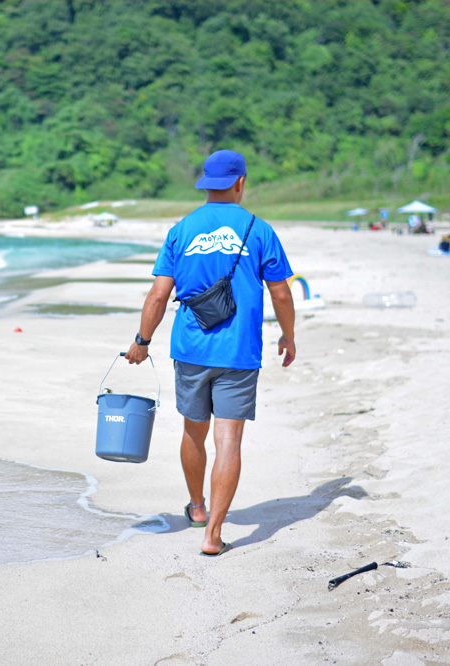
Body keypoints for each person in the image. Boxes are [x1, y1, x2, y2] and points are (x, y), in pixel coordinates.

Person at [124, 149, 296, 557]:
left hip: (191, 347)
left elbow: (159, 294)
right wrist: (288, 336)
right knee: (229, 441)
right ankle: (213, 534)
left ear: (205, 184)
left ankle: (197, 508)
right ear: (240, 183)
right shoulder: (258, 228)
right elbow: (282, 291)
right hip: (238, 351)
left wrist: (142, 341)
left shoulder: (182, 229)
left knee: (193, 430)